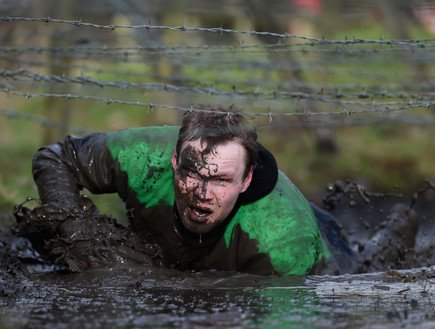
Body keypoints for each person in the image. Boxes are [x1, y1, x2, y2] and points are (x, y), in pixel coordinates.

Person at [19, 104, 355, 276]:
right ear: (174, 159)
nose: (202, 193)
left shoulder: (282, 240)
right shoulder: (141, 158)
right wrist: (76, 234)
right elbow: (56, 158)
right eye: (192, 173)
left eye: (222, 180)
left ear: (246, 180)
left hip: (325, 251)